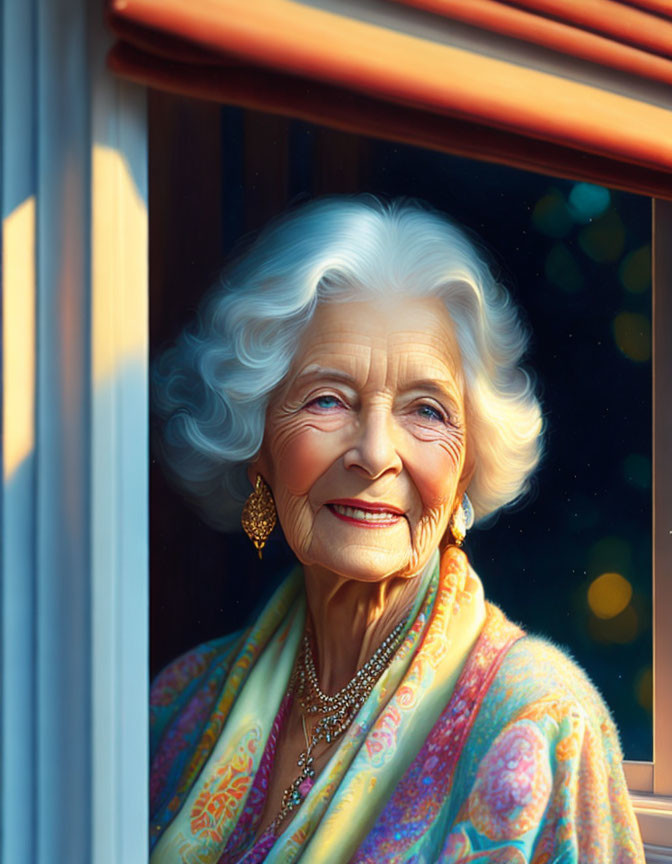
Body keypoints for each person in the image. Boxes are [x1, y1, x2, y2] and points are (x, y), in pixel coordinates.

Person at [149, 197, 645, 863]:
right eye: (328, 399)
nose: (376, 452)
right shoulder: (178, 704)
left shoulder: (542, 722)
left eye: (427, 410)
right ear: (256, 441)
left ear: (471, 458)